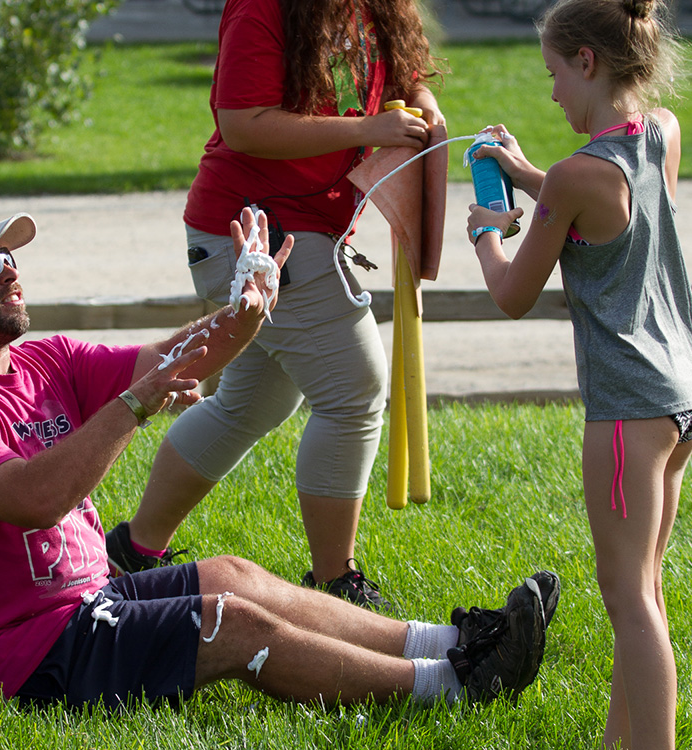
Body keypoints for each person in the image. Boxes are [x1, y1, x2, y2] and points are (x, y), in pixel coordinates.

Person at [0, 209, 555, 710]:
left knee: (234, 575)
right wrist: (133, 406)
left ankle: (455, 641)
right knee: (228, 625)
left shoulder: (45, 359)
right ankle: (455, 687)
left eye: (6, 255)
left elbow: (176, 360)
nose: (8, 269)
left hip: (86, 602)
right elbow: (35, 498)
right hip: (17, 657)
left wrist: (247, 309)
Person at [105, 0, 447, 610]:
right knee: (353, 391)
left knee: (251, 402)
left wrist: (422, 100)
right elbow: (243, 123)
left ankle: (131, 554)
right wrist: (367, 131)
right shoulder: (263, 8)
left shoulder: (376, 6)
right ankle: (334, 586)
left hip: (295, 229)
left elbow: (399, 73)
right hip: (255, 233)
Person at [463, 1, 692, 747]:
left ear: (588, 62)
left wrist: (484, 231)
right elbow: (600, 205)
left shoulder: (572, 178)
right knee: (645, 593)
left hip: (627, 411)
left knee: (628, 602)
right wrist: (527, 172)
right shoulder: (660, 132)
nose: (553, 94)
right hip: (682, 399)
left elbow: (511, 294)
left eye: (555, 75)